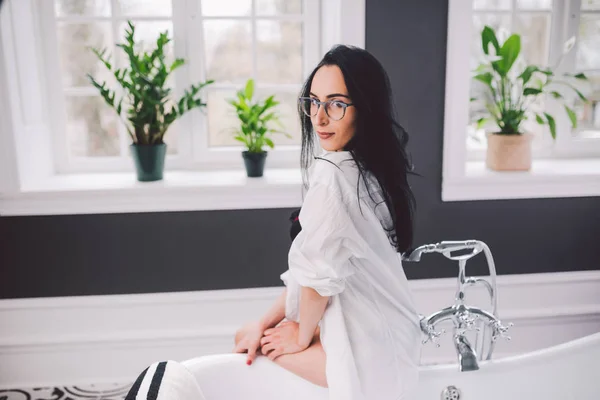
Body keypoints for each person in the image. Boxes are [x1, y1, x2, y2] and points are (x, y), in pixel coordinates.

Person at [189, 44, 422, 400]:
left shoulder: (334, 177)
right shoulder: (371, 167)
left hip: (372, 347)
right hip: (393, 332)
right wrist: (267, 323)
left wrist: (298, 336)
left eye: (337, 104)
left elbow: (315, 281)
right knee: (253, 333)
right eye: (313, 102)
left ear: (365, 109)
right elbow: (309, 274)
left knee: (247, 344)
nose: (320, 117)